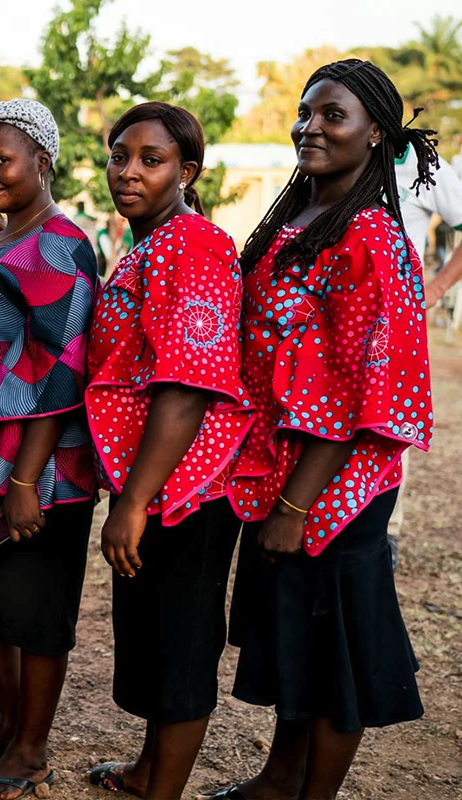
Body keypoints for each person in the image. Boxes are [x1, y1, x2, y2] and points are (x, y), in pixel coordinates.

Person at [204, 59, 437, 800]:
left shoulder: (372, 239)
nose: (310, 127)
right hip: (280, 469)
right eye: (306, 112)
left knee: (336, 653)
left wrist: (296, 507)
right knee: (299, 637)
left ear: (376, 135)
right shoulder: (299, 216)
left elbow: (357, 389)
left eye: (333, 115)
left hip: (332, 486)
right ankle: (277, 781)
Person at [83, 103, 254, 799]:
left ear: (186, 172)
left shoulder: (193, 243)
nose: (128, 172)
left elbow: (187, 385)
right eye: (119, 156)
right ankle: (148, 770)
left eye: (150, 161)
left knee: (180, 646)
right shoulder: (153, 242)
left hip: (187, 490)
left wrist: (133, 501)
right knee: (155, 634)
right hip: (157, 485)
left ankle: (163, 792)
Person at [0, 99, 99, 800]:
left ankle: (30, 752)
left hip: (40, 474)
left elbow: (63, 367)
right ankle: (8, 725)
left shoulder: (59, 245)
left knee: (34, 614)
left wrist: (26, 481)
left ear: (43, 160)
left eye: (1, 160)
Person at [386, 147, 462, 567]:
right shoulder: (341, 151)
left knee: (389, 424)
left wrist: (434, 289)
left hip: (395, 321)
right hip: (336, 315)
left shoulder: (423, 165)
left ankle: (387, 530)